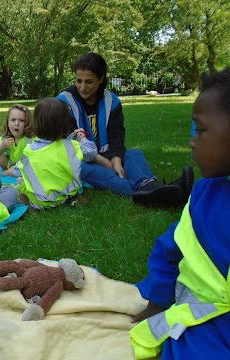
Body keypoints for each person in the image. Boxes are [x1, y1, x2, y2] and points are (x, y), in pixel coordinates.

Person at [129, 67, 230, 359]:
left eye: (200, 130)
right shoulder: (204, 196)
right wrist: (157, 305)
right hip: (208, 322)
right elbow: (169, 250)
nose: (191, 141)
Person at [57, 52, 193, 207]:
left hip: (108, 153)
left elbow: (116, 134)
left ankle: (151, 186)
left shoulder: (111, 100)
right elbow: (74, 144)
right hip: (80, 161)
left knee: (133, 155)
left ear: (101, 80)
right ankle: (161, 194)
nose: (82, 87)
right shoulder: (64, 102)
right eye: (78, 81)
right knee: (114, 178)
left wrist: (116, 159)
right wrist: (109, 165)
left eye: (89, 82)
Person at [14, 97, 97, 209]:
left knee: (20, 182)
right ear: (65, 124)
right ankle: (74, 198)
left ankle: (29, 208)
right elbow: (92, 152)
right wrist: (81, 137)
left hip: (41, 202)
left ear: (37, 125)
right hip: (67, 194)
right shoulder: (72, 146)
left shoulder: (29, 151)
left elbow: (17, 171)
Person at [0, 104, 35, 176]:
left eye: (21, 120)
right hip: (10, 163)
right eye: (13, 120)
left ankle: (2, 174)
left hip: (25, 166)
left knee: (12, 171)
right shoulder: (6, 138)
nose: (17, 124)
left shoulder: (30, 139)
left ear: (27, 123)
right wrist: (2, 145)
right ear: (7, 122)